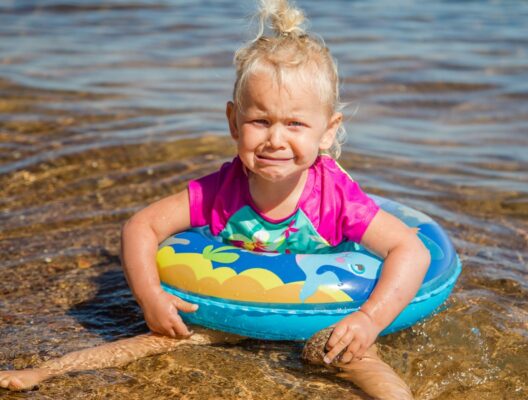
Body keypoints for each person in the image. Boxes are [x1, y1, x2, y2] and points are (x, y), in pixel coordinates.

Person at [0, 1, 429, 398]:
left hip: (319, 315)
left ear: (328, 130)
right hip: (235, 311)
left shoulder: (336, 199)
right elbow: (141, 227)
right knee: (153, 342)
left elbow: (408, 249)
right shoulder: (219, 190)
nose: (276, 139)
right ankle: (47, 373)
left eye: (296, 123)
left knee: (358, 358)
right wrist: (152, 298)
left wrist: (368, 319)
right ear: (233, 121)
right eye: (260, 121)